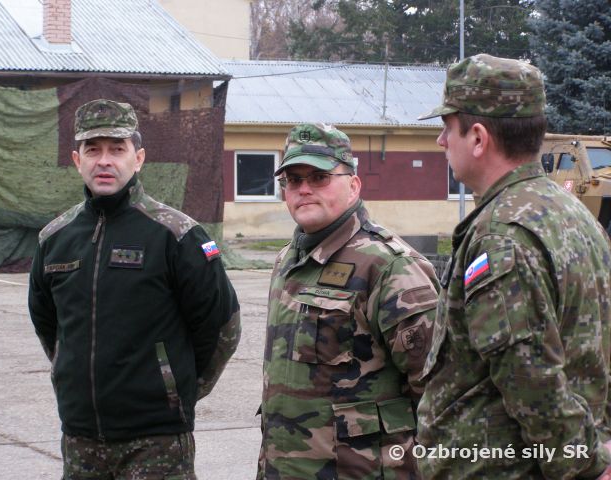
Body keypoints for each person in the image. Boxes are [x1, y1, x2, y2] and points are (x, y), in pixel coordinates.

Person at [416, 53, 611, 479]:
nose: (441, 141)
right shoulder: (571, 212)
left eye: (447, 127)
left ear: (478, 138)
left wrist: (583, 465)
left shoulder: (500, 235)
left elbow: (531, 377)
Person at [28, 99, 240, 480]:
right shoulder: (54, 239)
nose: (104, 161)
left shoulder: (177, 235)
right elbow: (48, 324)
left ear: (138, 158)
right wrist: (68, 371)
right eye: (93, 150)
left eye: (117, 149)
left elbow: (222, 326)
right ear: (77, 160)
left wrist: (178, 389)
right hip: (80, 438)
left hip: (156, 441)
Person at [258, 123, 440, 479]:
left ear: (353, 185)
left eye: (320, 177)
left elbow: (438, 390)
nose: (304, 189)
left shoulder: (390, 266)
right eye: (293, 180)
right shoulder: (288, 260)